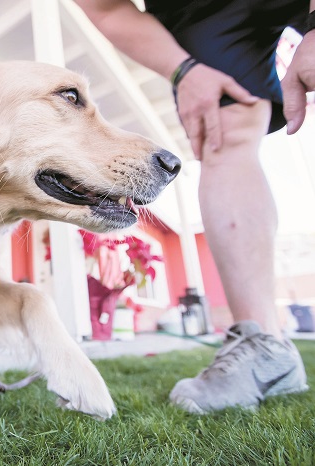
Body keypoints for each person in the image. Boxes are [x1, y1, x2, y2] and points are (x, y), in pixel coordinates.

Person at [74, 0, 314, 413]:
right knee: (226, 128)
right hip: (203, 10)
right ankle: (265, 347)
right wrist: (184, 70)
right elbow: (107, 8)